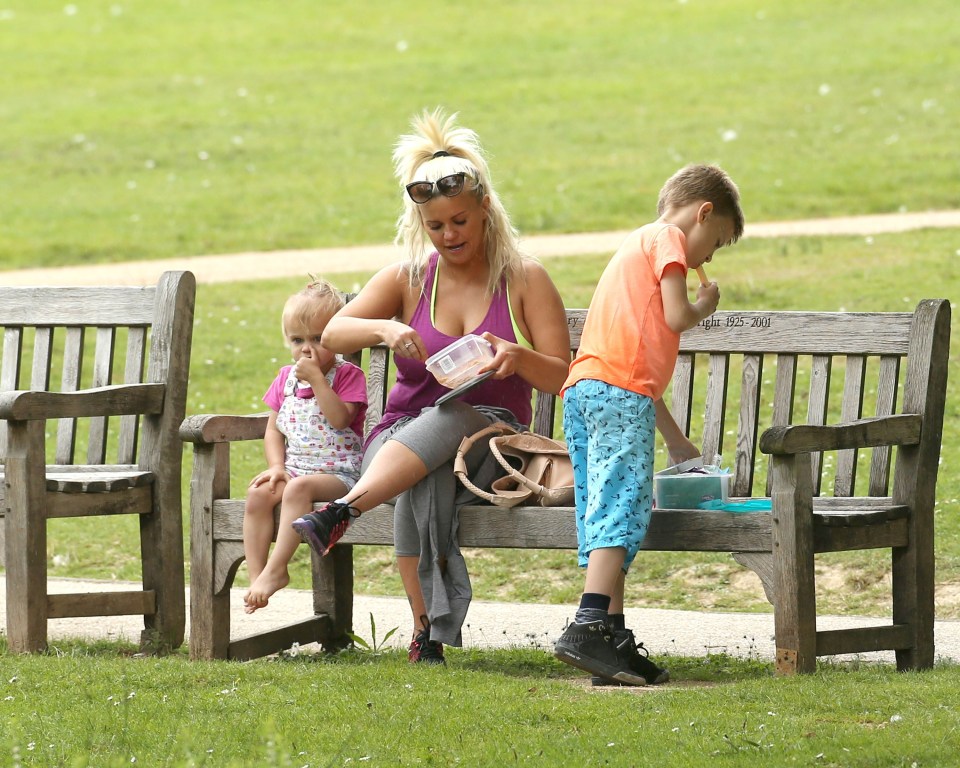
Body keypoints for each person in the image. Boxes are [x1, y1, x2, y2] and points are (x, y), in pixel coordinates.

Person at [292, 108, 571, 663]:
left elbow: (566, 375)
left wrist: (517, 359)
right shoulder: (409, 277)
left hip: (494, 445)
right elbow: (335, 331)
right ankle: (426, 634)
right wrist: (387, 327)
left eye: (460, 222)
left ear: (485, 208)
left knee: (458, 417)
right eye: (436, 226)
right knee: (424, 459)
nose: (449, 236)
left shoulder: (524, 277)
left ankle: (345, 513)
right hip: (397, 441)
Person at [554, 164, 744, 686]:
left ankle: (610, 643)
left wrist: (675, 438)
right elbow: (677, 316)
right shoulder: (667, 239)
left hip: (588, 390)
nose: (708, 258)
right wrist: (704, 305)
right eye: (718, 242)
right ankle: (588, 622)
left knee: (602, 508)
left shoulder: (634, 246)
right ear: (703, 213)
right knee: (622, 507)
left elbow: (636, 368)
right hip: (617, 395)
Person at [242, 278, 368, 613]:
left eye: (317, 338)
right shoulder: (285, 378)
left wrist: (315, 379)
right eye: (298, 340)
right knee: (257, 495)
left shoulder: (348, 376)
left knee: (297, 491)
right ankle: (258, 576)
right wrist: (276, 468)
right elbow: (273, 430)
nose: (306, 348)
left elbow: (340, 419)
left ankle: (277, 568)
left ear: (336, 338)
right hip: (295, 468)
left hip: (340, 473)